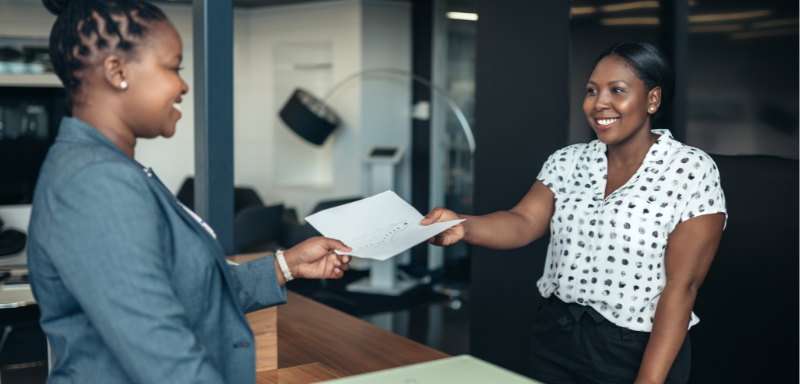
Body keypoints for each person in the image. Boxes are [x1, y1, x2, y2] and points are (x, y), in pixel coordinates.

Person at [27, 1, 352, 383]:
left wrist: (286, 265)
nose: (183, 85)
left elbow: (185, 293)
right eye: (172, 67)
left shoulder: (113, 170)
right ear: (117, 71)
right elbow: (164, 357)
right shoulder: (94, 183)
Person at [422, 41, 726, 384]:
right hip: (557, 337)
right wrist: (463, 226)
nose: (599, 103)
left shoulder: (689, 168)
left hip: (637, 348)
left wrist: (649, 380)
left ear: (652, 99)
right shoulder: (568, 160)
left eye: (618, 90)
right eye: (592, 90)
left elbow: (681, 287)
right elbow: (523, 222)